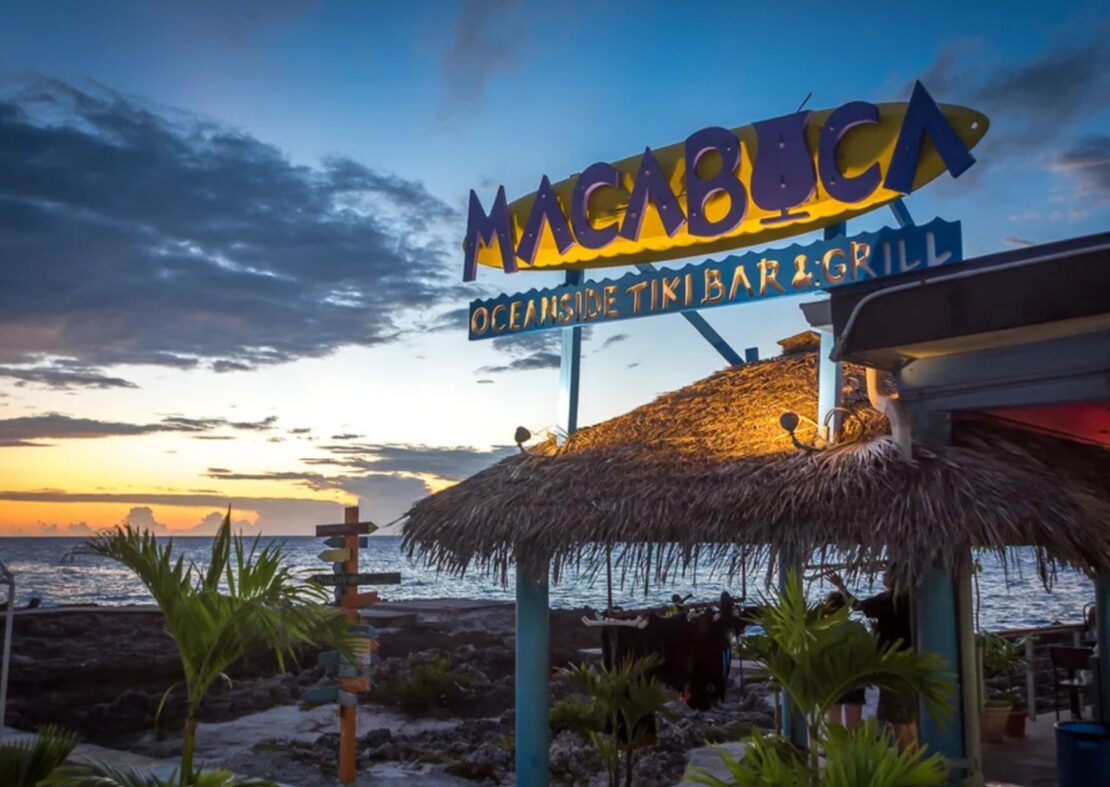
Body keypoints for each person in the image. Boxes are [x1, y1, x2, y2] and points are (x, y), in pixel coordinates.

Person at [828, 571, 917, 749]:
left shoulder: (888, 600)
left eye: (886, 572)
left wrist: (841, 586)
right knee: (907, 715)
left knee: (896, 717)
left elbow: (858, 606)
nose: (883, 574)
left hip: (891, 664)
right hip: (908, 661)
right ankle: (913, 754)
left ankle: (907, 756)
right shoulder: (912, 600)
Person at [823, 591, 865, 731]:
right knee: (854, 726)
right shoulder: (857, 628)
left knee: (834, 725)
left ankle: (837, 752)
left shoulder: (823, 630)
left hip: (831, 679)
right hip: (854, 678)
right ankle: (853, 752)